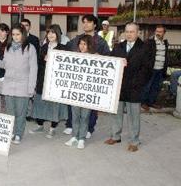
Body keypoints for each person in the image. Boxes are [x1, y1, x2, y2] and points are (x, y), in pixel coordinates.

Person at [105, 22, 153, 152]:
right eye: (127, 31)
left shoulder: (145, 48)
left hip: (134, 88)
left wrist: (137, 83)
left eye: (132, 32)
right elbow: (110, 63)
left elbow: (147, 70)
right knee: (116, 113)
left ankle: (134, 141)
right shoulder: (118, 47)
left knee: (133, 116)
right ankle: (115, 136)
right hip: (119, 87)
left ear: (138, 33)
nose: (129, 34)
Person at [64, 14, 110, 138]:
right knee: (72, 101)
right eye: (83, 22)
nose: (85, 24)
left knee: (91, 105)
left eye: (89, 22)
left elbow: (109, 58)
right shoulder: (77, 39)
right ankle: (71, 125)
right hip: (76, 79)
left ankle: (89, 128)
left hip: (91, 81)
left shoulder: (100, 41)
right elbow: (65, 51)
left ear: (95, 25)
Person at [0, 24, 38, 144]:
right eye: (14, 34)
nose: (16, 37)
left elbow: (34, 69)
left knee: (21, 113)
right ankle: (11, 132)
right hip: (9, 85)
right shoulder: (8, 47)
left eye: (18, 34)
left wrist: (31, 87)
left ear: (23, 34)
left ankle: (18, 134)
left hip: (23, 85)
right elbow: (5, 65)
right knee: (10, 112)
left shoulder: (30, 48)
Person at [29, 25, 68, 138]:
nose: (50, 35)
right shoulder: (43, 47)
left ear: (58, 34)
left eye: (53, 33)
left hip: (56, 82)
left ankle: (52, 128)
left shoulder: (63, 48)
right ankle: (40, 126)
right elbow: (38, 64)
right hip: (42, 79)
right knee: (40, 103)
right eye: (49, 33)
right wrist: (44, 60)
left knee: (54, 105)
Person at [64, 35, 96, 149]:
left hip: (87, 93)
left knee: (85, 116)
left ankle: (81, 138)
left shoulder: (95, 58)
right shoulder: (74, 56)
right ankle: (74, 136)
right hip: (75, 92)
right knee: (75, 115)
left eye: (84, 44)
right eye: (80, 44)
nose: (82, 46)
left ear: (89, 45)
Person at [141, 25, 169, 110]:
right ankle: (143, 102)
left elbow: (165, 56)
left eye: (160, 32)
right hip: (151, 69)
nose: (158, 33)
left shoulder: (165, 43)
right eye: (157, 31)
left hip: (160, 69)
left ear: (164, 33)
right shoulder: (149, 42)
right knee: (147, 86)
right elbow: (145, 56)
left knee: (156, 87)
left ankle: (151, 102)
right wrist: (147, 67)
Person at [20, 18, 40, 121]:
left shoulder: (34, 39)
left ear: (30, 27)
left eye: (26, 25)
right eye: (22, 25)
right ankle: (26, 114)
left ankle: (34, 114)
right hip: (20, 71)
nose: (24, 27)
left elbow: (36, 57)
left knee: (32, 94)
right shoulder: (16, 38)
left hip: (31, 70)